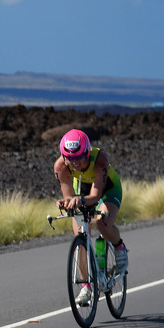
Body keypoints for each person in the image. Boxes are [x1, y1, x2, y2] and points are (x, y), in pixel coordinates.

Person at [53, 129, 128, 306]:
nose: (74, 162)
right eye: (69, 158)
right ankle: (86, 285)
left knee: (103, 224)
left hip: (107, 189)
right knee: (80, 234)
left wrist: (80, 200)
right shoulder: (60, 166)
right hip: (83, 191)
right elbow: (69, 196)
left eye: (78, 157)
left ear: (87, 152)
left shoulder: (100, 159)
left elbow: (96, 195)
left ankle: (119, 248)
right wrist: (66, 202)